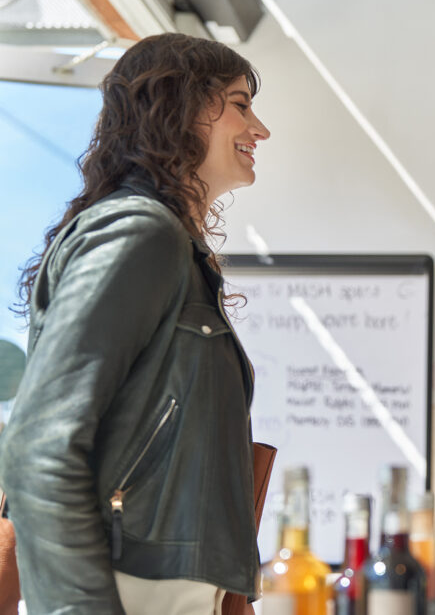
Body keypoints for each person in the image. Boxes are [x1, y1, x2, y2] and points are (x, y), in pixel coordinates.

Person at [0, 32, 270, 613]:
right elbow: (37, 447)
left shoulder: (171, 247)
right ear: (178, 107)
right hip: (122, 589)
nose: (260, 130)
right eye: (240, 104)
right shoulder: (141, 233)